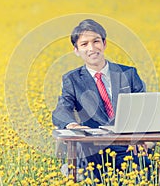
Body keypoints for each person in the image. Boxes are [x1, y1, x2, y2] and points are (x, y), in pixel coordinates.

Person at [52, 19, 151, 181]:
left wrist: (140, 137)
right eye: (84, 44)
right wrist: (73, 125)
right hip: (93, 148)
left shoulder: (128, 74)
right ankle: (77, 167)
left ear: (104, 44)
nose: (91, 48)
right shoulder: (72, 79)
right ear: (76, 50)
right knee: (87, 169)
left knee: (142, 169)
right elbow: (61, 110)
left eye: (96, 41)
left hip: (126, 147)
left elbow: (144, 109)